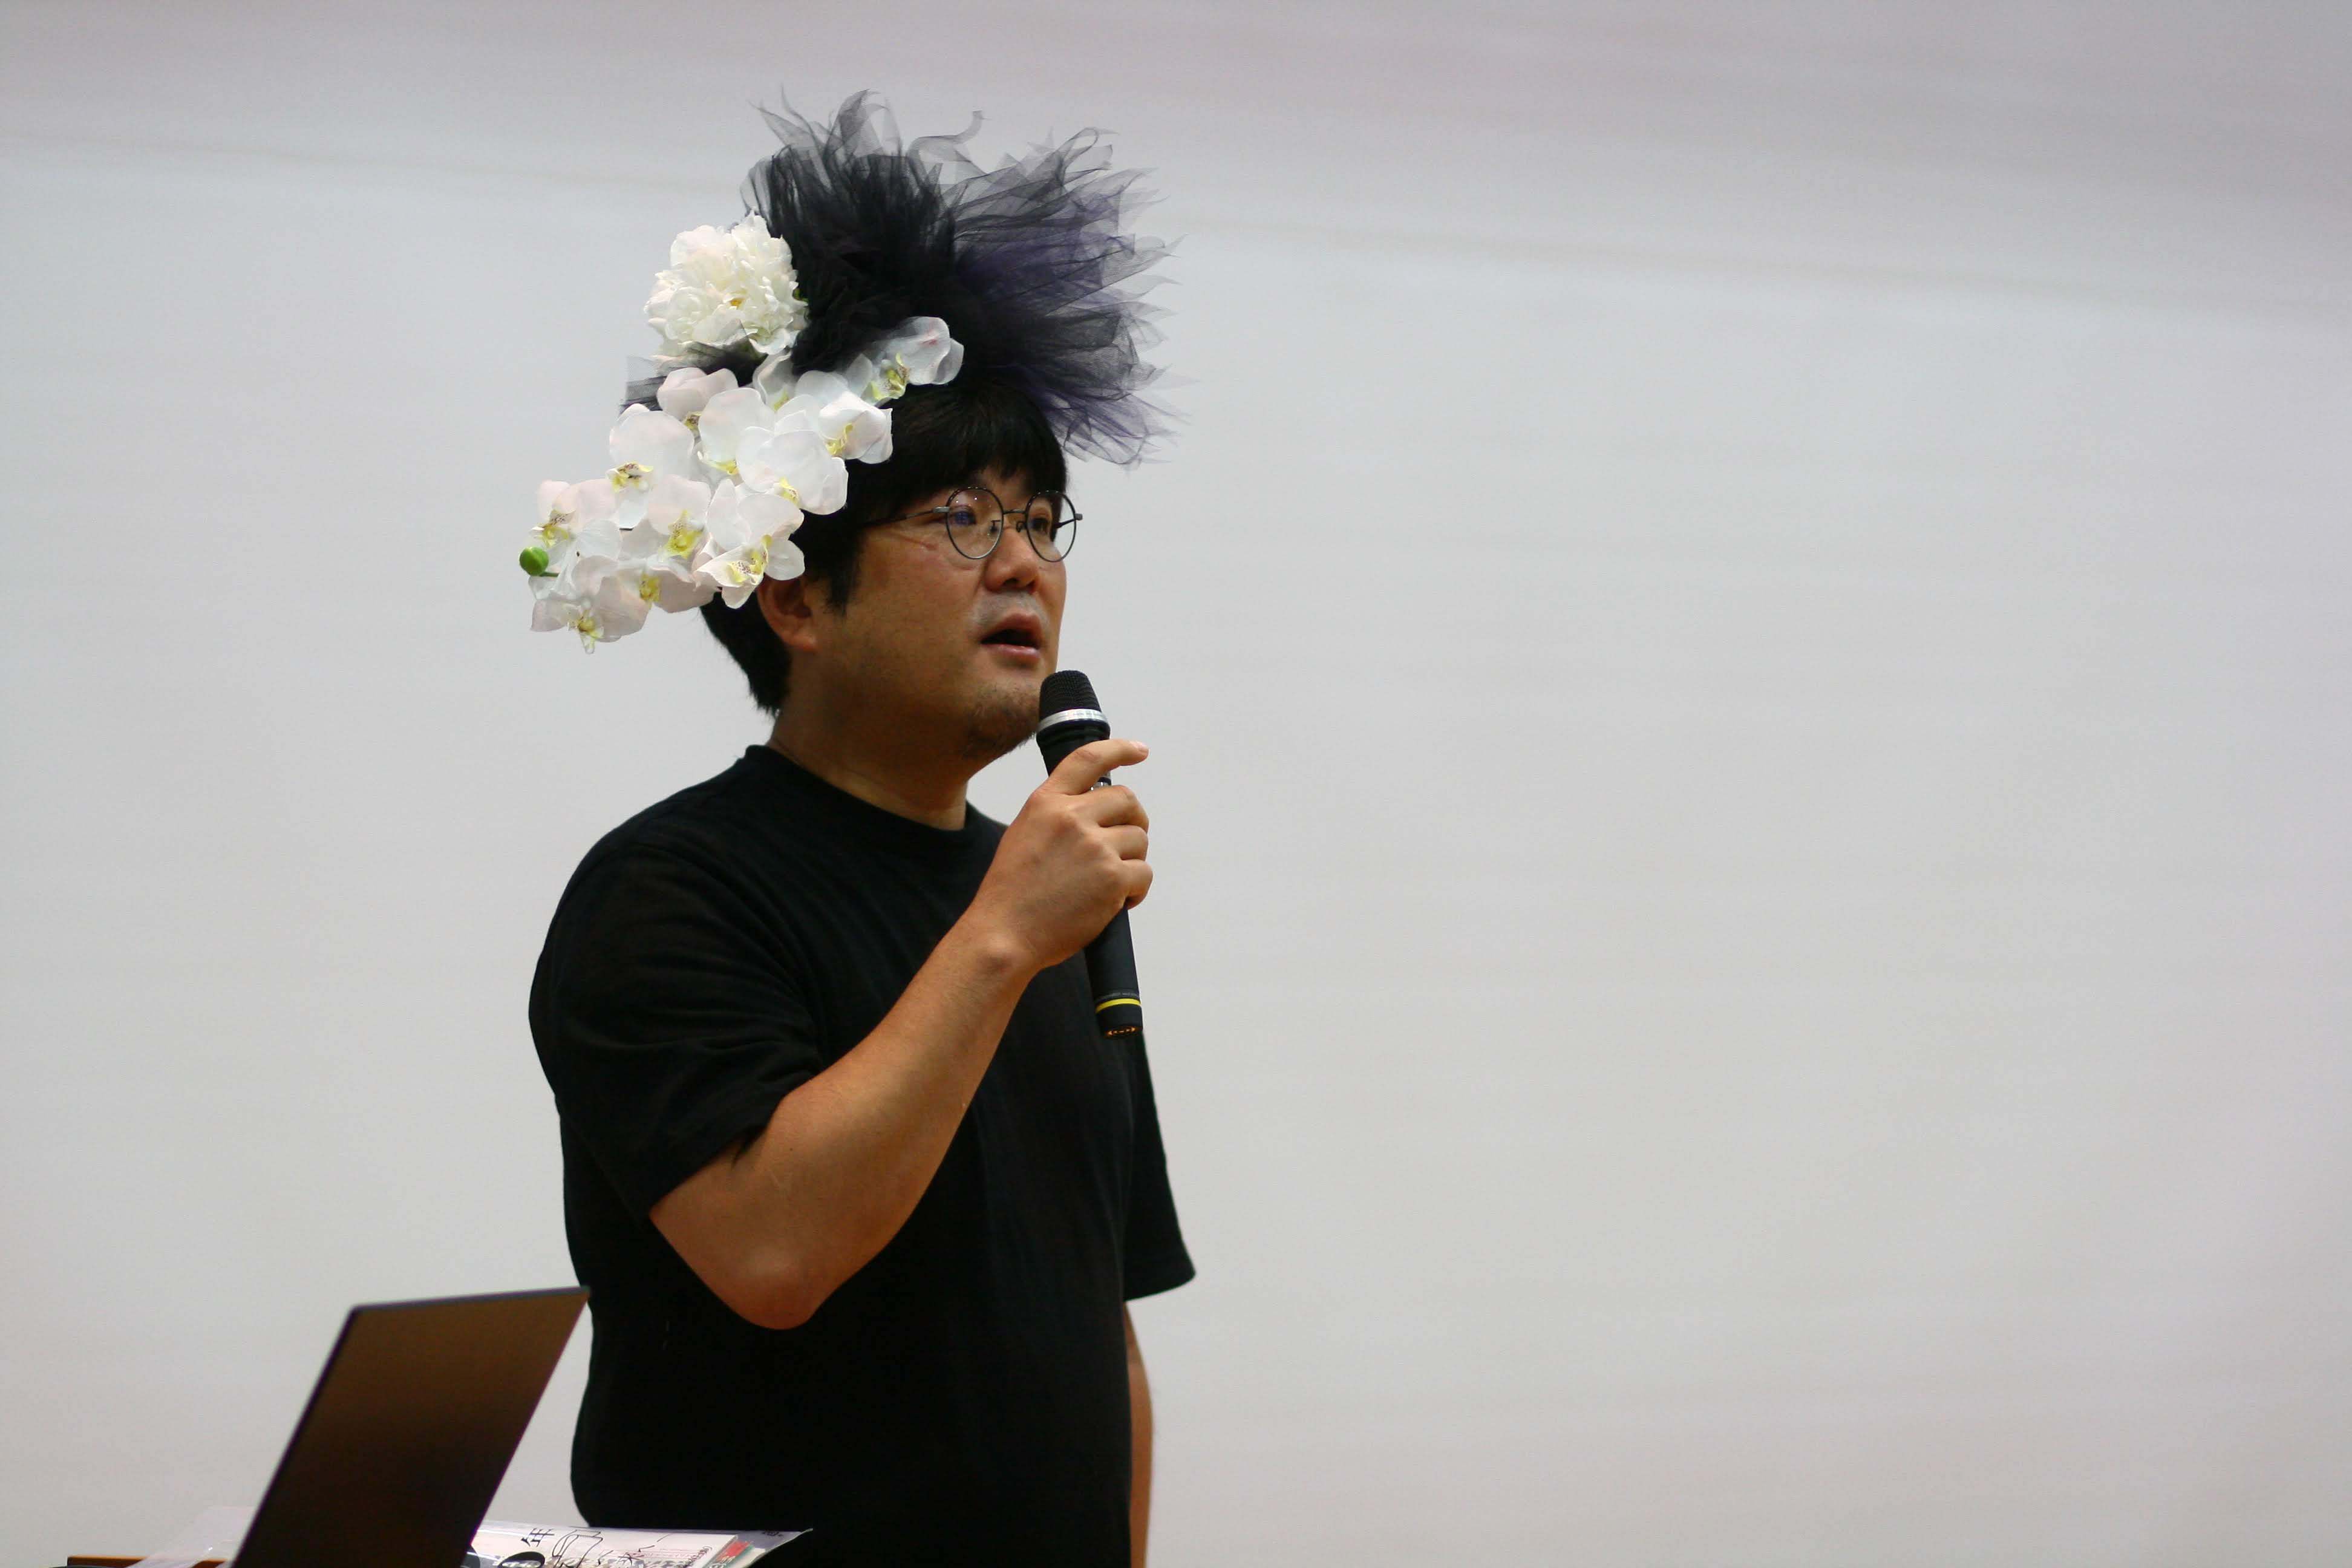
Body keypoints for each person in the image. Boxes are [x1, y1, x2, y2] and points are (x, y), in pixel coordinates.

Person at [524, 97, 1192, 1566]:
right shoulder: (670, 892)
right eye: (960, 518)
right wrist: (1001, 939)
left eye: (1043, 520)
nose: (1024, 564)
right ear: (795, 598)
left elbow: (1100, 1328)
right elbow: (772, 1252)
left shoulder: (1047, 893)